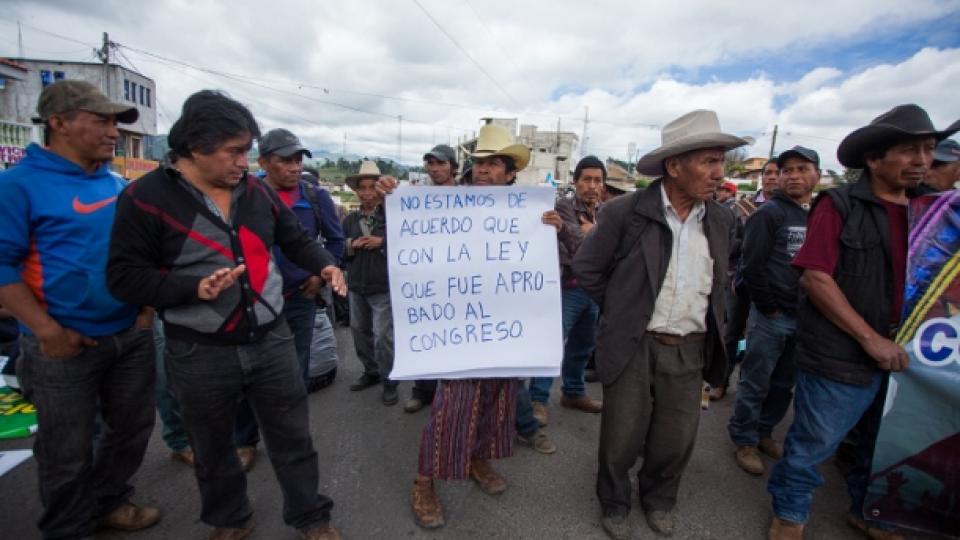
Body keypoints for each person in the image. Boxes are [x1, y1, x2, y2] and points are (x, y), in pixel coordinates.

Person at [107, 90, 346, 540]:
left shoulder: (256, 192)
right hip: (199, 350)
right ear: (196, 147)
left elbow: (295, 239)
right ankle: (230, 518)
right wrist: (189, 288)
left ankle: (311, 517)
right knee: (213, 445)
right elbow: (123, 278)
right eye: (235, 151)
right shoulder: (144, 199)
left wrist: (324, 263)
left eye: (247, 151)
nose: (245, 162)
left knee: (293, 438)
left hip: (272, 339)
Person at [766, 104, 959, 540]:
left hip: (911, 358)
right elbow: (816, 277)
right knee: (814, 445)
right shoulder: (839, 206)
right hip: (841, 356)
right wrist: (869, 338)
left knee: (881, 445)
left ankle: (869, 511)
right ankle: (790, 515)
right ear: (874, 159)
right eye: (909, 151)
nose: (922, 161)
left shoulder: (934, 214)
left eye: (929, 150)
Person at [573, 109, 747, 539]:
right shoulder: (625, 213)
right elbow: (588, 270)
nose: (718, 172)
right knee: (621, 435)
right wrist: (622, 310)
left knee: (677, 436)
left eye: (721, 161)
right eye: (708, 161)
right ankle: (614, 502)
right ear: (675, 166)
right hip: (634, 342)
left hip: (690, 344)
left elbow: (723, 279)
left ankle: (659, 499)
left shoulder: (723, 220)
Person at [0, 80, 161, 539]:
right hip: (61, 347)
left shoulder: (118, 186)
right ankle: (68, 526)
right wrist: (47, 332)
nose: (114, 132)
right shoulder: (18, 186)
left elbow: (144, 251)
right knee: (64, 449)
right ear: (59, 123)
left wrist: (145, 311)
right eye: (102, 120)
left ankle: (110, 502)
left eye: (116, 123)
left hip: (129, 334)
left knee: (131, 430)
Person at [377, 124, 556, 529]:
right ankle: (424, 482)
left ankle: (478, 459)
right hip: (459, 335)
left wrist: (552, 233)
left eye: (493, 164)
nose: (483, 170)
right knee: (451, 411)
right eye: (478, 163)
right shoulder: (444, 203)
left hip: (505, 334)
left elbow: (551, 264)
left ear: (510, 174)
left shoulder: (529, 213)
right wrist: (393, 196)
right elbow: (409, 233)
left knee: (496, 404)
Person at [728, 146, 818, 476]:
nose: (794, 175)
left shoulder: (818, 216)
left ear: (817, 176)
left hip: (805, 318)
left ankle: (765, 432)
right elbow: (751, 265)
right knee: (755, 381)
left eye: (802, 169)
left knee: (783, 384)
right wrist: (769, 307)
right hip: (771, 317)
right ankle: (744, 439)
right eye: (787, 170)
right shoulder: (768, 214)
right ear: (777, 177)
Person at [528, 155, 605, 425]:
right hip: (567, 288)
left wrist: (593, 230)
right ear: (576, 182)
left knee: (583, 345)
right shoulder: (563, 205)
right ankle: (537, 399)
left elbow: (612, 247)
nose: (592, 186)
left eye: (597, 180)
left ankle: (573, 393)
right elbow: (580, 246)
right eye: (587, 179)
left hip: (594, 291)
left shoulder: (604, 211)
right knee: (551, 346)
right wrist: (597, 234)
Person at [710, 158, 777, 400]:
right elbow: (728, 242)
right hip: (739, 280)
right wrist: (752, 243)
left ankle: (750, 391)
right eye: (767, 172)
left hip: (772, 285)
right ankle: (719, 381)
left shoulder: (789, 210)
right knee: (730, 333)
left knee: (759, 340)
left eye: (776, 173)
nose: (771, 177)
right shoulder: (742, 207)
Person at [403, 144, 459, 413]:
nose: (435, 169)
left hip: (458, 281)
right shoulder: (416, 196)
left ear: (453, 167)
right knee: (425, 336)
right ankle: (422, 390)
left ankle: (449, 391)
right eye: (430, 164)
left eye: (441, 164)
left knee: (452, 338)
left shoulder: (469, 197)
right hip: (425, 280)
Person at [342, 160, 397, 405]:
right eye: (362, 188)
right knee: (359, 332)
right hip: (356, 286)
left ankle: (389, 381)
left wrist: (381, 242)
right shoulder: (350, 220)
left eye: (371, 187)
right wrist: (351, 245)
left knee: (382, 336)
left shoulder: (392, 216)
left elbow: (407, 243)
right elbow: (336, 247)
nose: (367, 193)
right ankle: (371, 371)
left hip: (383, 286)